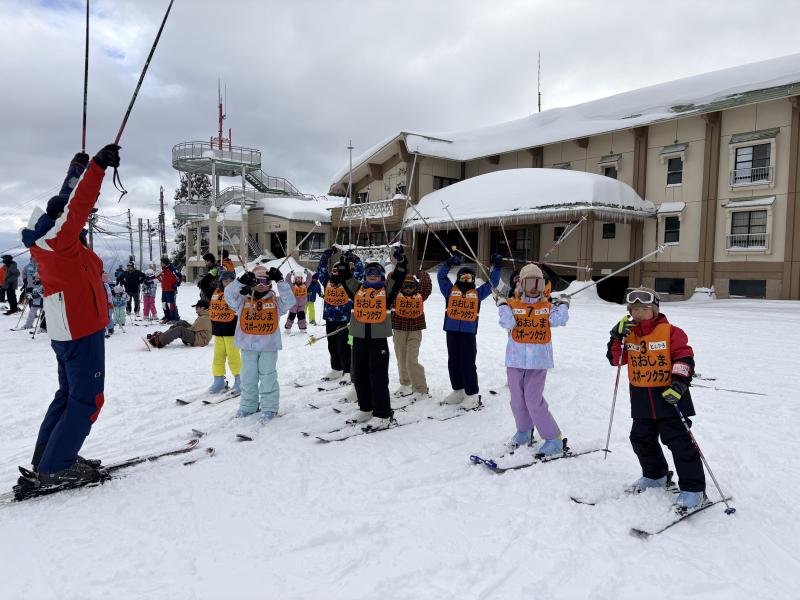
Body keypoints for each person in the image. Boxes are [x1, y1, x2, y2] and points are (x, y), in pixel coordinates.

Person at [16, 144, 120, 493]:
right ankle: (57, 466)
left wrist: (77, 168)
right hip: (81, 326)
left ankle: (48, 458)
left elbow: (68, 199)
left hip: (67, 327)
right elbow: (77, 205)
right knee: (88, 399)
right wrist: (97, 168)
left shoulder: (46, 237)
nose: (84, 223)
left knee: (68, 394)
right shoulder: (60, 239)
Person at [606, 286, 705, 510]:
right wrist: (616, 336)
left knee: (679, 443)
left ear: (654, 310)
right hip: (641, 398)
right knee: (641, 438)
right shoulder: (628, 333)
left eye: (644, 309)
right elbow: (616, 359)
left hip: (669, 397)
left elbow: (684, 358)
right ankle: (655, 475)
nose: (639, 313)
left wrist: (678, 384)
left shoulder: (671, 332)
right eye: (634, 309)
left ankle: (693, 490)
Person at [496, 264, 570, 454]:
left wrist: (563, 304)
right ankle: (524, 431)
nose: (535, 287)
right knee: (517, 400)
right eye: (530, 283)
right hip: (515, 361)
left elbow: (560, 320)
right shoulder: (513, 304)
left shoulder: (546, 307)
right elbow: (507, 322)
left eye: (539, 283)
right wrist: (503, 305)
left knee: (533, 399)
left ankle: (553, 438)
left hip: (538, 362)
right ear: (521, 284)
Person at [341, 248, 408, 431]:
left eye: (376, 273)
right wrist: (345, 261)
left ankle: (382, 414)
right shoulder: (357, 290)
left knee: (378, 377)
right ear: (364, 275)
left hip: (378, 341)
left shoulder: (387, 291)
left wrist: (401, 262)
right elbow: (345, 277)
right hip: (359, 339)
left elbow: (399, 277)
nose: (372, 276)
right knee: (360, 375)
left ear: (382, 276)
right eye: (369, 272)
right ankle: (366, 408)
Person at [224, 265, 294, 422]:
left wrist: (281, 281)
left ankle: (269, 407)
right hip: (248, 347)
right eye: (258, 281)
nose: (262, 284)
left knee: (268, 377)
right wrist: (239, 282)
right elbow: (228, 295)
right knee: (248, 377)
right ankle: (248, 406)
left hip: (269, 347)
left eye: (266, 281)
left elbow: (290, 301)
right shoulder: (242, 301)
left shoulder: (276, 302)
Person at [438, 253, 502, 410]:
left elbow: (493, 283)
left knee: (467, 363)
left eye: (469, 278)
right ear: (458, 278)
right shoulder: (449, 291)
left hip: (468, 334)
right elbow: (441, 277)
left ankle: (472, 395)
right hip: (452, 332)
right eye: (463, 277)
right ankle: (458, 391)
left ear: (473, 280)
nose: (465, 281)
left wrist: (497, 266)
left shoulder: (477, 294)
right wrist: (449, 263)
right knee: (453, 363)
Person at [315, 248, 362, 383]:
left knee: (345, 346)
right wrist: (328, 254)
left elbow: (360, 269)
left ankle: (348, 370)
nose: (335, 272)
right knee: (332, 345)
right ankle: (336, 368)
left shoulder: (350, 282)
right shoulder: (327, 281)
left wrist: (352, 257)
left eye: (338, 270)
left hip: (346, 321)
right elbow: (321, 268)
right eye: (334, 270)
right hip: (330, 319)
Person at [389, 269, 432, 401]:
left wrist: (422, 274)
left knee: (411, 359)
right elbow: (389, 283)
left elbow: (426, 286)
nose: (408, 289)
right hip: (399, 329)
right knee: (401, 358)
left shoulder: (420, 295)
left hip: (415, 330)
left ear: (416, 286)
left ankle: (420, 388)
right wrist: (395, 274)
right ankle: (405, 383)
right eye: (405, 286)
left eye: (411, 286)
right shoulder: (394, 295)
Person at [208, 271, 241, 394]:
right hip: (218, 331)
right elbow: (204, 284)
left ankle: (240, 381)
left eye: (230, 281)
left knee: (233, 357)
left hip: (231, 331)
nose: (227, 283)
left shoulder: (237, 293)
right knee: (218, 357)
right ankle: (218, 381)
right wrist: (212, 272)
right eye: (225, 281)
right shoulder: (215, 292)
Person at [158, 256, 181, 322]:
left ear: (165, 263)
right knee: (164, 304)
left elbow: (180, 276)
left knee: (170, 305)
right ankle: (167, 317)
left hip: (171, 290)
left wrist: (177, 284)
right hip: (164, 290)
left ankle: (173, 318)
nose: (160, 264)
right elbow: (160, 278)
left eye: (161, 263)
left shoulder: (172, 269)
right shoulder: (163, 270)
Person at [101, 271, 114, 337]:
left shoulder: (106, 286)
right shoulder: (101, 285)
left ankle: (110, 328)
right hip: (102, 303)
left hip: (107, 304)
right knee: (104, 316)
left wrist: (110, 302)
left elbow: (109, 295)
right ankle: (105, 328)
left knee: (108, 316)